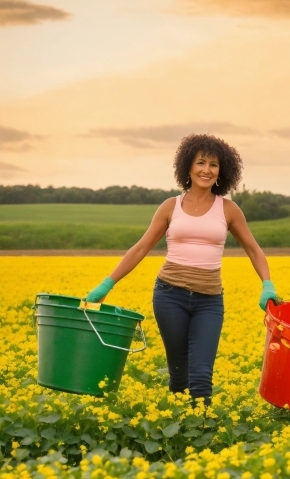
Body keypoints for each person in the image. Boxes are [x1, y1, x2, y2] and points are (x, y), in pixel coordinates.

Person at [86, 134, 279, 405]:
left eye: (213, 164)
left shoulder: (229, 209)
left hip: (209, 302)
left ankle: (203, 433)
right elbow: (141, 248)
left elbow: (254, 249)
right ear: (188, 167)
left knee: (201, 378)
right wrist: (107, 284)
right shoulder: (170, 206)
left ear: (221, 171)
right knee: (178, 375)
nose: (206, 170)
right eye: (201, 162)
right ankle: (181, 435)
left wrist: (267, 284)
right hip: (169, 297)